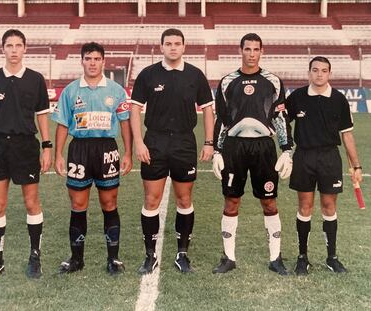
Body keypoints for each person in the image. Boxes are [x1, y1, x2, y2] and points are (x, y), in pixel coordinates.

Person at [130, 28, 214, 274]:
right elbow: (135, 109)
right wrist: (138, 142)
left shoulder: (195, 75)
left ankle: (182, 253)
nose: (173, 47)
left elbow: (208, 109)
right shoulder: (148, 74)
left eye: (178, 43)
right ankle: (150, 255)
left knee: (184, 199)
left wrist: (208, 142)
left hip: (184, 142)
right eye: (168, 43)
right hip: (154, 141)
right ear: (161, 47)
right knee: (151, 200)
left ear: (184, 47)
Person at [212, 33, 293, 275]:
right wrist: (217, 150)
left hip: (263, 148)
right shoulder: (228, 81)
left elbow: (280, 118)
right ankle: (229, 258)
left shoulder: (273, 81)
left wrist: (287, 149)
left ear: (262, 51)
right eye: (247, 49)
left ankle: (275, 258)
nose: (251, 54)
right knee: (231, 200)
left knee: (269, 202)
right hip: (235, 147)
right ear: (241, 50)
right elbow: (222, 120)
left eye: (256, 49)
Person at [0, 29, 52, 280]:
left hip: (25, 146)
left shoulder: (36, 79)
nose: (14, 50)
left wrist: (47, 146)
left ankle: (35, 256)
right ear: (3, 49)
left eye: (18, 45)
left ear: (25, 49)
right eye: (9, 45)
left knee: (32, 203)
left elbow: (42, 114)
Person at [52, 42, 132, 276]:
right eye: (88, 58)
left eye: (97, 59)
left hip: (107, 149)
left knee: (109, 204)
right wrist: (58, 154)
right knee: (78, 205)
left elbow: (125, 122)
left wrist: (127, 152)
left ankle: (113, 259)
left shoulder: (116, 90)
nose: (93, 63)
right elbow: (62, 124)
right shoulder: (70, 90)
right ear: (82, 61)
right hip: (79, 150)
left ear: (103, 62)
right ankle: (77, 259)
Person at [285, 56, 363, 275]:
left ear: (330, 73)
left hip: (329, 157)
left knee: (329, 206)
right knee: (305, 207)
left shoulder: (338, 99)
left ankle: (332, 257)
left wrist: (356, 166)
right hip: (304, 156)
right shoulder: (297, 97)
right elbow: (282, 122)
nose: (319, 74)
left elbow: (347, 135)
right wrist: (286, 150)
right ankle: (303, 257)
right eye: (315, 70)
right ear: (309, 72)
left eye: (324, 70)